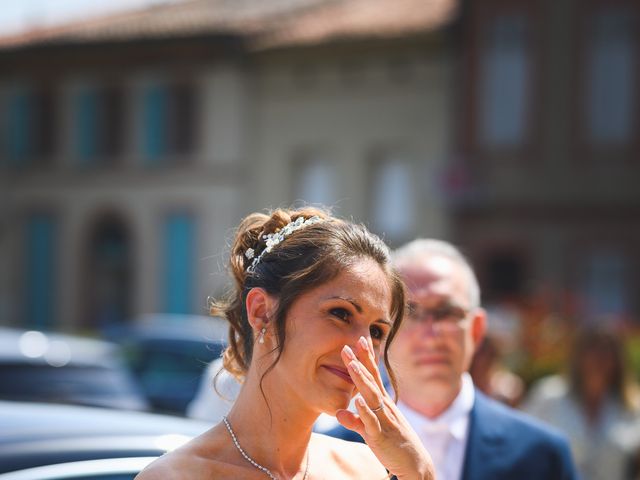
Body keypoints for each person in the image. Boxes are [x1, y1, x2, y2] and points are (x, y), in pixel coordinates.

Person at [136, 207, 434, 479]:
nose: (362, 347)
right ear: (262, 312)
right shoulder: (176, 477)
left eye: (378, 331)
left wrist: (419, 472)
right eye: (340, 314)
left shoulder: (364, 470)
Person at [328, 239, 577, 480]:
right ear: (380, 332)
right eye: (410, 312)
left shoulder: (541, 456)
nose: (430, 334)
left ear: (476, 329)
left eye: (446, 313)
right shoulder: (330, 453)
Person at [523, 326, 640, 480]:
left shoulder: (632, 405)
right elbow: (521, 443)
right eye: (593, 350)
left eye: (607, 351)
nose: (599, 358)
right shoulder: (549, 395)